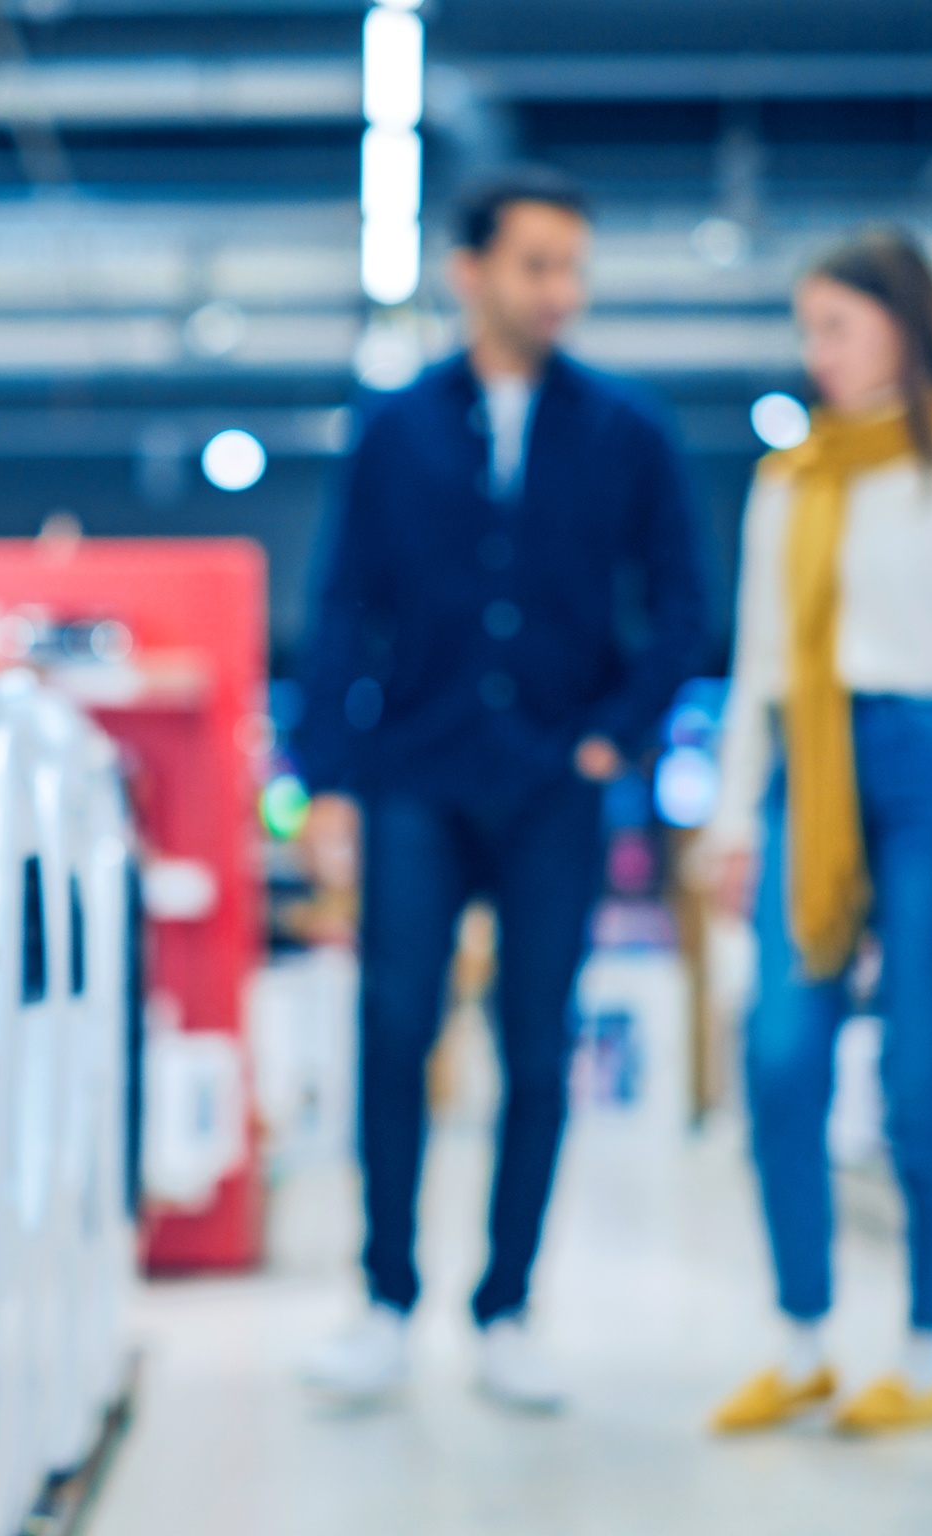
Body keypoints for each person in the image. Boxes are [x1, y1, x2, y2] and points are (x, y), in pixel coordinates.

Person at [294, 167, 709, 1408]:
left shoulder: (628, 431)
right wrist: (327, 780)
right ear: (469, 271)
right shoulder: (395, 428)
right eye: (537, 264)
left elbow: (684, 606)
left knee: (536, 1045)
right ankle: (384, 1299)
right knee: (394, 1029)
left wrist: (615, 735)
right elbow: (340, 604)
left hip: (552, 785)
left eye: (574, 267)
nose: (559, 290)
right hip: (413, 776)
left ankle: (507, 1307)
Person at [705, 228, 932, 1436]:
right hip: (807, 777)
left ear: (906, 324)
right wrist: (732, 820)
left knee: (922, 1070)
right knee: (779, 1058)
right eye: (808, 330)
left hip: (930, 768)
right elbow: (758, 661)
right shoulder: (792, 481)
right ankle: (801, 1335)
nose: (819, 353)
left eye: (837, 327)